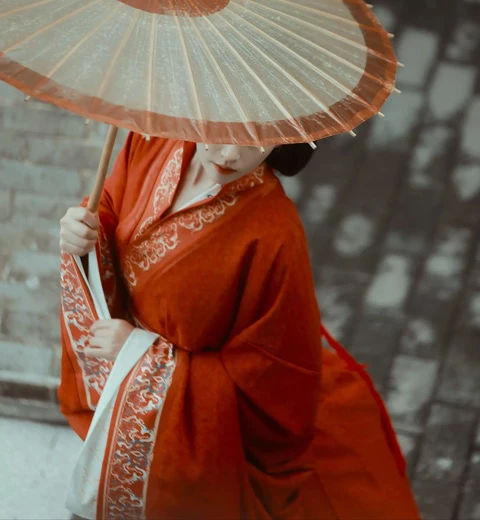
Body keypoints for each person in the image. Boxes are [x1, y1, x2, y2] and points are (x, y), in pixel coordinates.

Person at [58, 132, 421, 520]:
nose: (231, 154)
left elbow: (271, 377)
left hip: (181, 427)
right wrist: (84, 229)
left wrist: (139, 354)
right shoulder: (150, 141)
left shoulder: (275, 234)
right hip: (125, 383)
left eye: (258, 139)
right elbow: (111, 206)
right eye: (224, 130)